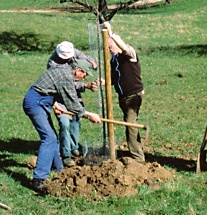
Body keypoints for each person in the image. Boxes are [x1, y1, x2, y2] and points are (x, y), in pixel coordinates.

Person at [23, 59, 101, 191]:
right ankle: (38, 179)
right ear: (78, 70)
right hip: (36, 103)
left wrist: (53, 103)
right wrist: (88, 115)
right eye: (85, 74)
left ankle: (59, 169)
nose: (84, 77)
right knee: (49, 138)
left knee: (52, 137)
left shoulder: (64, 70)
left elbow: (51, 85)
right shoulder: (65, 75)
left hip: (43, 101)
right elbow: (72, 103)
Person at [47, 41, 103, 166]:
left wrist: (92, 63)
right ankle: (66, 154)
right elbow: (66, 86)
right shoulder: (53, 65)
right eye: (83, 74)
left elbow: (86, 59)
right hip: (60, 97)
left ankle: (74, 147)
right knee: (64, 123)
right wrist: (85, 85)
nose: (71, 58)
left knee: (75, 121)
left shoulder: (71, 51)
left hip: (73, 95)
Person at [103, 21, 145, 163]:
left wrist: (110, 33)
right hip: (123, 97)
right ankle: (137, 149)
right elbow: (114, 78)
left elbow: (124, 47)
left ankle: (138, 158)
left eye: (110, 47)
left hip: (134, 95)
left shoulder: (129, 54)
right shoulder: (114, 61)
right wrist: (103, 82)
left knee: (130, 123)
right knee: (131, 124)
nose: (109, 50)